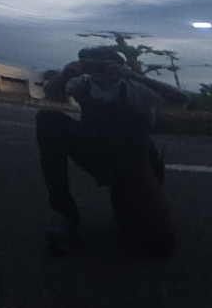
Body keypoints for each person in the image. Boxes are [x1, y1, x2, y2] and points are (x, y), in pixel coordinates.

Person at [36, 46, 185, 258]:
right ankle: (64, 212)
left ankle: (123, 202)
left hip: (134, 160)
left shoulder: (134, 87)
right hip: (96, 152)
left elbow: (180, 100)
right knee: (48, 120)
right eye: (90, 64)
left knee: (159, 241)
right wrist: (66, 73)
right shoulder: (82, 84)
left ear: (117, 67)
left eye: (102, 65)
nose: (97, 70)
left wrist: (136, 77)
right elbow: (51, 92)